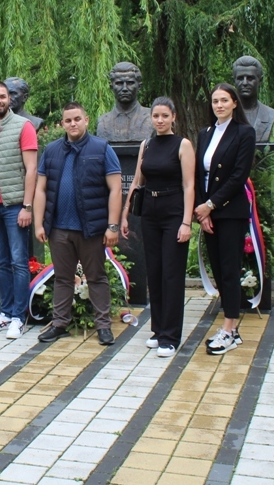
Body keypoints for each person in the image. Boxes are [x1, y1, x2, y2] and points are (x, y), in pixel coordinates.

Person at [34, 103, 122, 346]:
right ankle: (59, 323)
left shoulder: (101, 148)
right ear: (62, 123)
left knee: (96, 277)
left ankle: (103, 326)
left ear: (86, 119)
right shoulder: (51, 151)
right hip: (59, 229)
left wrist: (112, 226)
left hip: (91, 228)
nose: (72, 124)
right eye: (68, 120)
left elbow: (115, 189)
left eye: (77, 119)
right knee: (62, 278)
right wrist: (39, 224)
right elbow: (41, 189)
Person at [121, 97, 195, 358]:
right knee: (155, 271)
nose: (160, 120)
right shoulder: (147, 144)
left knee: (171, 275)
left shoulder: (183, 145)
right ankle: (158, 329)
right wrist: (126, 213)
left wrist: (187, 222)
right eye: (156, 116)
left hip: (173, 212)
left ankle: (171, 336)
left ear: (173, 117)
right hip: (149, 214)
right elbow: (137, 182)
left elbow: (189, 186)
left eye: (165, 116)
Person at [194, 84, 256, 355]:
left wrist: (211, 205)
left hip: (229, 211)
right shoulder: (205, 134)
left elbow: (239, 175)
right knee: (218, 269)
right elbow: (198, 174)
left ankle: (230, 328)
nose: (218, 105)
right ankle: (229, 324)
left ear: (234, 104)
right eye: (215, 101)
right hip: (207, 212)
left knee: (229, 270)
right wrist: (201, 211)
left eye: (224, 101)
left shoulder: (244, 133)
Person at [0, 81, 38, 340]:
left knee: (18, 261)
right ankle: (5, 312)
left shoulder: (23, 127)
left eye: (3, 96)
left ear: (9, 100)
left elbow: (32, 169)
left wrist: (27, 206)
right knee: (0, 261)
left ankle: (19, 316)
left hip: (15, 206)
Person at [96, 62, 154, 142]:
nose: (124, 88)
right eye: (119, 83)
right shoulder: (102, 121)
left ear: (139, 86)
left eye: (130, 83)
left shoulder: (151, 118)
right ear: (111, 87)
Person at [232, 56, 274, 143]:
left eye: (250, 78)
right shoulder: (225, 114)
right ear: (234, 81)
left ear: (260, 81)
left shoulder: (270, 114)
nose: (245, 83)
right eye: (240, 78)